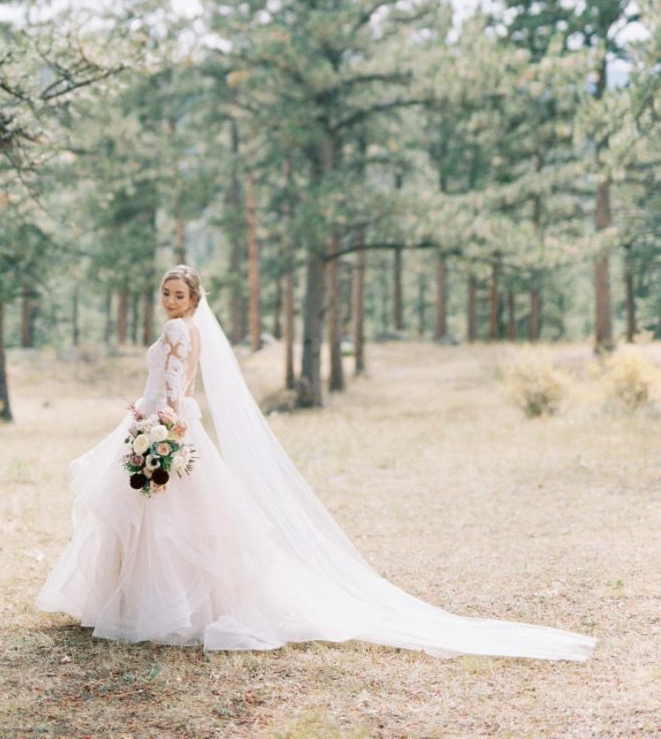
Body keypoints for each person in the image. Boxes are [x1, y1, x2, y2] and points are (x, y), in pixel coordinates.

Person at [37, 265, 596, 659]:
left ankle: (152, 608)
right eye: (165, 292)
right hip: (158, 421)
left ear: (194, 299)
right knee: (168, 523)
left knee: (162, 523)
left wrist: (159, 426)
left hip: (164, 425)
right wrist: (148, 414)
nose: (170, 301)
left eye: (178, 293)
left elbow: (176, 384)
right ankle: (155, 605)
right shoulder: (191, 331)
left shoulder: (179, 332)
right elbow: (170, 382)